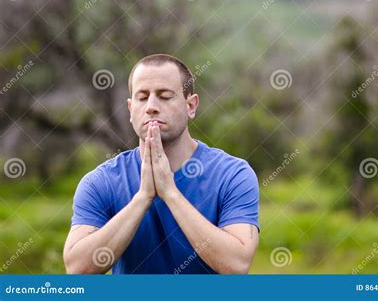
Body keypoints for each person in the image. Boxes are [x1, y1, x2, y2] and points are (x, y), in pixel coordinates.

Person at [63, 54, 259, 274]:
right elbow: (77, 269)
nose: (151, 107)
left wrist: (170, 193)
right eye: (142, 97)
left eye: (165, 96)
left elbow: (237, 265)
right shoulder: (100, 182)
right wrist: (143, 197)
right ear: (130, 109)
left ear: (191, 106)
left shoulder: (232, 175)